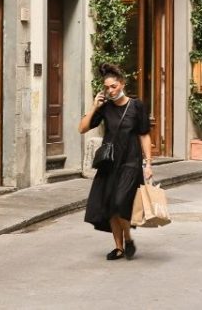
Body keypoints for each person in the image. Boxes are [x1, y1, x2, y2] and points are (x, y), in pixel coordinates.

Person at [79, 63, 153, 260]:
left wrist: (148, 163)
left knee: (120, 203)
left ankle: (128, 238)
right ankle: (119, 247)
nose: (110, 91)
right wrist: (95, 106)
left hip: (131, 162)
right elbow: (82, 128)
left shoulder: (136, 106)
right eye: (107, 87)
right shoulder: (105, 108)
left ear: (122, 84)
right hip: (109, 163)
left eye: (113, 86)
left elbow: (144, 135)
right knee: (110, 206)